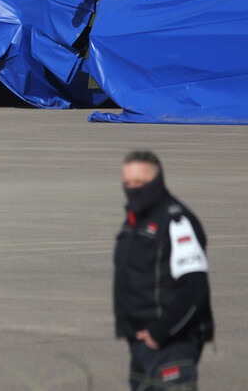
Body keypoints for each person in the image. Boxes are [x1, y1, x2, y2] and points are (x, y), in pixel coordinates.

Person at [114, 150, 213, 390]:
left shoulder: (177, 222)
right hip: (141, 342)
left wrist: (160, 332)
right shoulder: (135, 222)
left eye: (140, 183)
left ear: (157, 181)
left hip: (170, 343)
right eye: (128, 183)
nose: (133, 189)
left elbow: (195, 288)